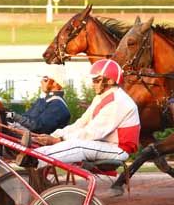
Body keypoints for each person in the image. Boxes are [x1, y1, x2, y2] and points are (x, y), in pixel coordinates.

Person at [23, 59, 140, 187]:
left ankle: (34, 158)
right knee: (75, 141)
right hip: (104, 144)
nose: (93, 84)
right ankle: (36, 153)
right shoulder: (101, 97)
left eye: (96, 80)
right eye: (93, 80)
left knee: (79, 145)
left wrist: (58, 140)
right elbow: (81, 123)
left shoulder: (119, 102)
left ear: (110, 81)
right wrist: (56, 135)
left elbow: (92, 133)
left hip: (118, 149)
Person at [7, 66, 70, 134]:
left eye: (45, 79)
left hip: (39, 143)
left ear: (55, 83)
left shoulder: (57, 105)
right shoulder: (45, 100)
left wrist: (14, 116)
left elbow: (38, 127)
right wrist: (9, 115)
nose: (41, 81)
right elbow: (27, 118)